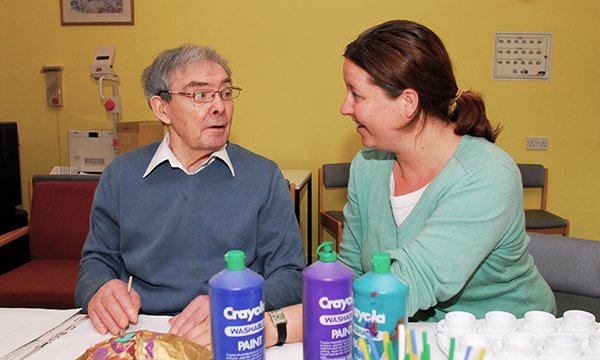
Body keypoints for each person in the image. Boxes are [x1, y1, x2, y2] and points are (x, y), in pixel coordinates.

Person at [75, 45, 305, 346]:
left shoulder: (263, 176)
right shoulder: (120, 176)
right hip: (142, 331)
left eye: (225, 93)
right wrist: (99, 288)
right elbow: (96, 261)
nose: (219, 107)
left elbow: (290, 275)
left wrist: (236, 303)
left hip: (230, 328)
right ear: (162, 108)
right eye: (200, 95)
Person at [337, 19, 555, 321]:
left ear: (407, 103)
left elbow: (411, 280)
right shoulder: (367, 165)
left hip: (504, 339)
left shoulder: (489, 174)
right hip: (409, 332)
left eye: (356, 95)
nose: (345, 108)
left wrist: (286, 323)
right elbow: (350, 269)